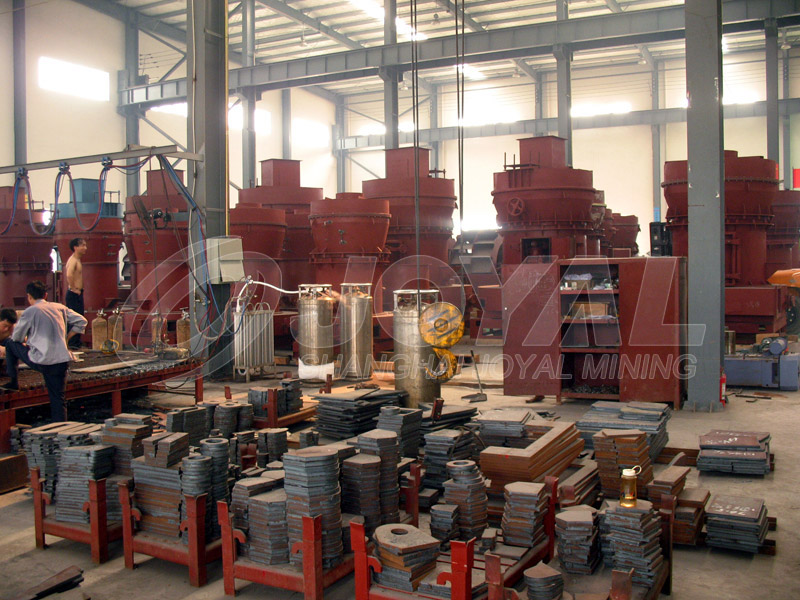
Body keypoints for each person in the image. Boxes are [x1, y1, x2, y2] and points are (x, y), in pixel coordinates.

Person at [0, 281, 87, 422]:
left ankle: (13, 382)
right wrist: (67, 337)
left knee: (10, 344)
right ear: (46, 295)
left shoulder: (30, 311)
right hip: (61, 360)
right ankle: (61, 427)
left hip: (41, 360)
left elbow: (16, 338)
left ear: (29, 296)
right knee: (58, 398)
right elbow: (82, 321)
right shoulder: (60, 307)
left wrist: (28, 340)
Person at [65, 237, 87, 349]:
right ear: (75, 247)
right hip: (74, 294)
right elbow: (69, 275)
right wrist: (74, 288)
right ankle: (72, 343)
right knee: (75, 319)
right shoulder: (73, 260)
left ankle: (76, 343)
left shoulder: (77, 260)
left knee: (80, 317)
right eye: (82, 245)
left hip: (78, 293)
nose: (85, 248)